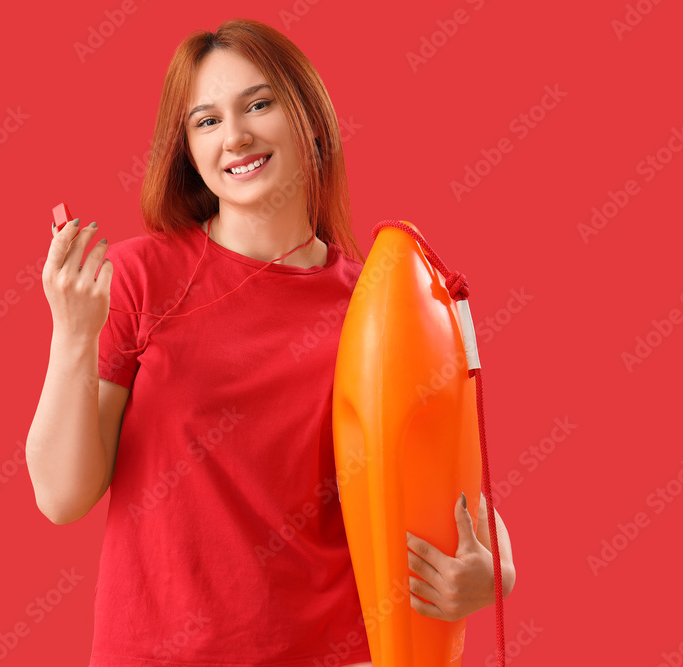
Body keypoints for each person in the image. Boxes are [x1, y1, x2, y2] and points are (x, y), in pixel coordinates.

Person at [26, 18, 515, 667]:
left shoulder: (373, 308)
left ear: (310, 119)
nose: (236, 136)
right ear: (189, 150)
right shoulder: (141, 278)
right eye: (206, 121)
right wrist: (73, 336)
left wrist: (498, 571)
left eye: (258, 104)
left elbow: (455, 482)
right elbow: (62, 496)